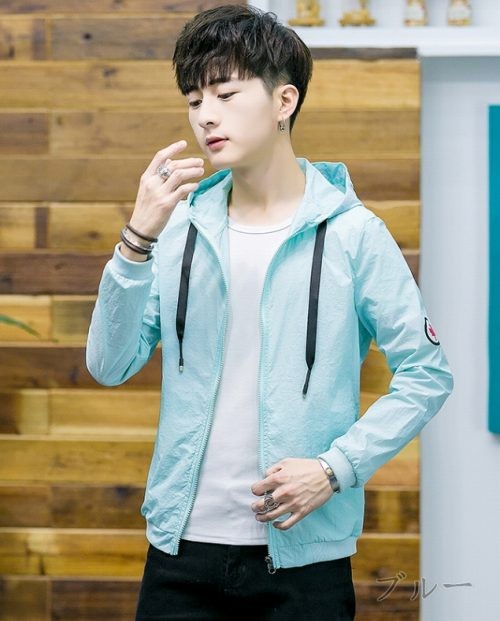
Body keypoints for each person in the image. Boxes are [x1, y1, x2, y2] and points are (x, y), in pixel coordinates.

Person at [86, 5, 453, 620]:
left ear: (285, 100)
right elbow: (108, 364)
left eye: (226, 94)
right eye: (193, 100)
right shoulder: (177, 228)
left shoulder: (354, 233)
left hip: (303, 563)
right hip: (179, 550)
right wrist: (137, 239)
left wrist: (334, 469)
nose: (205, 115)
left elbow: (427, 373)